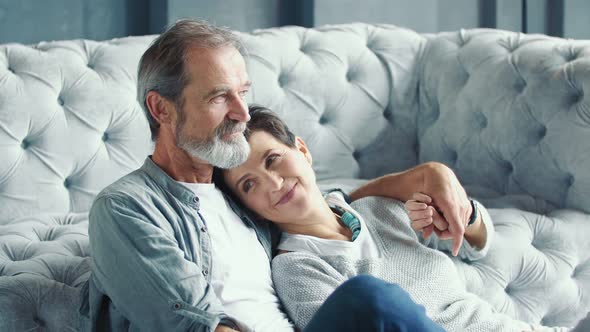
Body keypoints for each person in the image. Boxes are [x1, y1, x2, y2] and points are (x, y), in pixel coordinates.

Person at [80, 19, 475, 332]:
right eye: (219, 97)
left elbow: (327, 205)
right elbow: (193, 325)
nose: (242, 112)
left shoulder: (238, 193)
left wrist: (429, 174)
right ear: (161, 109)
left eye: (243, 93)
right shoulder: (125, 207)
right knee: (369, 299)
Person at [217, 105, 572, 332]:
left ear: (302, 151)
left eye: (273, 160)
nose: (273, 184)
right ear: (248, 206)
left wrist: (458, 217)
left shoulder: (378, 208)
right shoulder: (297, 266)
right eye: (250, 185)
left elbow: (478, 244)